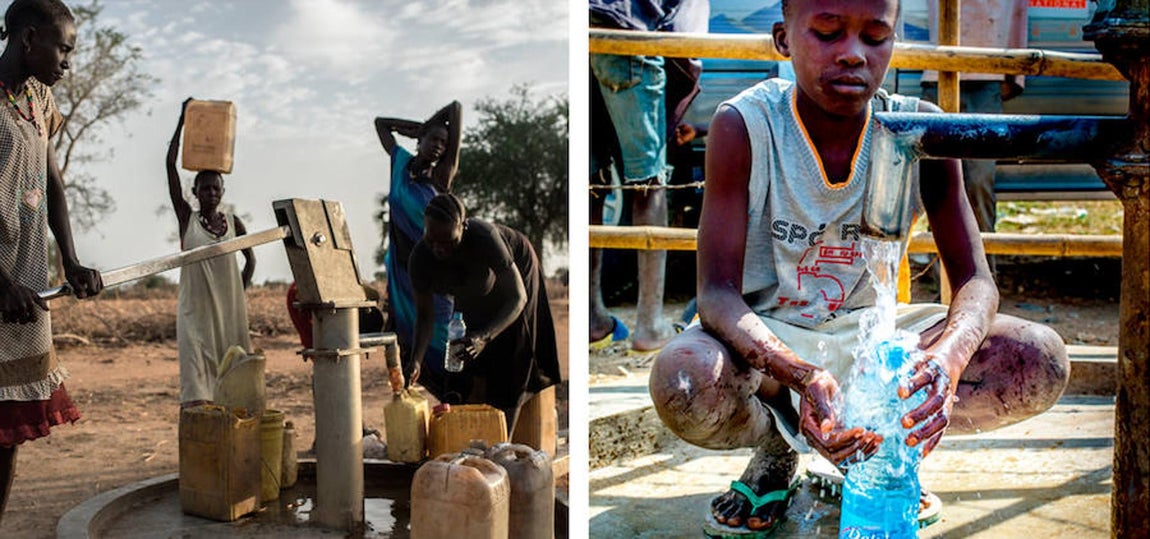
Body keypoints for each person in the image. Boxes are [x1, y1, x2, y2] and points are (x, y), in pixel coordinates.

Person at [647, 0, 1069, 534]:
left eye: (875, 37)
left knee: (1038, 361)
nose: (852, 54)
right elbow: (716, 296)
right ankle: (778, 449)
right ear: (783, 39)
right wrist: (801, 376)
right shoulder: (745, 126)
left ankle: (888, 452)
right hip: (770, 345)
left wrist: (946, 360)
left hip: (875, 348)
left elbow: (976, 282)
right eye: (828, 32)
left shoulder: (919, 130)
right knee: (685, 380)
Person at [0, 0, 102, 521]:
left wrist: (72, 258)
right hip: (3, 284)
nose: (67, 62)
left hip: (22, 285)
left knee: (5, 431)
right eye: (62, 48)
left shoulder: (38, 100)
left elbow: (53, 182)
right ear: (27, 39)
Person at [589, 0, 709, 356]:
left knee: (593, 182)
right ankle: (650, 325)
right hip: (632, 31)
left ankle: (593, 319)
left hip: (593, 21)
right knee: (648, 183)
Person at [406, 194, 561, 432]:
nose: (439, 248)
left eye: (448, 241)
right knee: (460, 352)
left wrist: (484, 337)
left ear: (463, 227)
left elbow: (518, 298)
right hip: (473, 290)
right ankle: (465, 426)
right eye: (432, 239)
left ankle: (503, 441)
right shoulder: (420, 258)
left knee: (513, 346)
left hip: (517, 274)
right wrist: (416, 360)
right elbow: (425, 316)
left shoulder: (484, 237)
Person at [166, 98, 254, 409]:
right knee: (194, 385)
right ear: (195, 191)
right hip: (194, 313)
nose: (211, 194)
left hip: (228, 313)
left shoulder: (233, 223)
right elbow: (169, 166)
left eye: (216, 188)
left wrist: (236, 292)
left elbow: (250, 260)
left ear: (223, 192)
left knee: (231, 382)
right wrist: (182, 121)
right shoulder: (186, 218)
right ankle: (194, 445)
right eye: (205, 188)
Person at [921, 0, 1028, 235]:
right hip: (937, 69)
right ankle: (936, 265)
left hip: (986, 73)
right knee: (937, 181)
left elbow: (1018, 11)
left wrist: (1014, 74)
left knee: (979, 182)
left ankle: (984, 267)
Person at [374, 101, 461, 388]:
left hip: (434, 274)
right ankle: (414, 403)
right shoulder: (398, 163)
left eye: (443, 143)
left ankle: (452, 399)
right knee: (406, 346)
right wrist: (420, 128)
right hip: (402, 274)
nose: (438, 146)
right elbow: (381, 123)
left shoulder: (441, 176)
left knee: (442, 345)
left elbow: (456, 108)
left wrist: (429, 126)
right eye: (433, 139)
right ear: (419, 141)